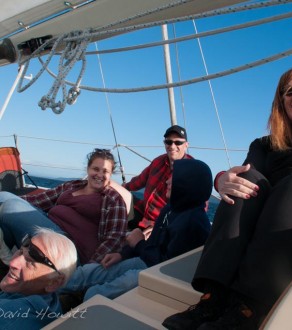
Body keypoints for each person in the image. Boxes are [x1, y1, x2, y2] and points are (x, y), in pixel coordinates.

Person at [162, 65, 292, 330]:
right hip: (277, 217)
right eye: (288, 92)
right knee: (245, 179)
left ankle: (251, 308)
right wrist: (222, 180)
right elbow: (242, 177)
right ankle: (213, 297)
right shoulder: (264, 145)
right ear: (281, 101)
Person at [60, 158, 212, 302]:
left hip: (159, 276)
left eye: (174, 177)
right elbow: (152, 246)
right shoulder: (170, 208)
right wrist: (122, 254)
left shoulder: (193, 223)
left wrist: (138, 243)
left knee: (98, 293)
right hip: (145, 261)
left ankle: (79, 309)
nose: (167, 181)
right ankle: (49, 287)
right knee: (90, 272)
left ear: (189, 183)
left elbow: (167, 266)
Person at [0, 148, 128, 265]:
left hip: (68, 247)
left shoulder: (113, 200)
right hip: (47, 228)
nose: (100, 175)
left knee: (10, 205)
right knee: (5, 217)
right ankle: (9, 264)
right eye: (96, 169)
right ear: (88, 169)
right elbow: (38, 200)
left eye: (105, 171)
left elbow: (114, 239)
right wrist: (14, 199)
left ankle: (9, 258)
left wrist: (87, 269)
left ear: (110, 175)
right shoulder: (72, 185)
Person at [0, 227, 77, 329]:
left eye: (31, 263)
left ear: (54, 283)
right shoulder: (50, 301)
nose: (13, 263)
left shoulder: (8, 315)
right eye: (20, 251)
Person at [124, 125, 193, 230]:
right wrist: (123, 187)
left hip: (159, 226)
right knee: (116, 193)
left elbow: (197, 208)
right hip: (142, 212)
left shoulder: (192, 170)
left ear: (186, 145)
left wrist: (164, 231)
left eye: (178, 142)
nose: (172, 146)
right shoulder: (158, 161)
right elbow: (139, 181)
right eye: (168, 142)